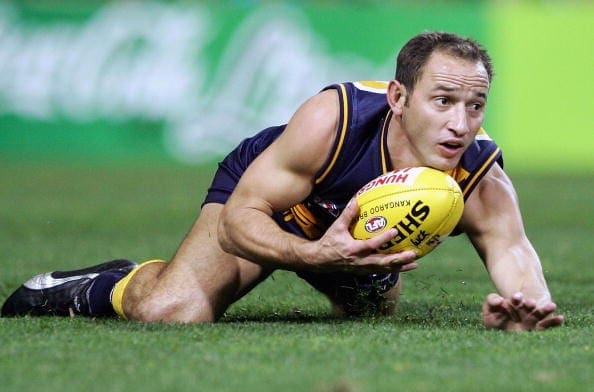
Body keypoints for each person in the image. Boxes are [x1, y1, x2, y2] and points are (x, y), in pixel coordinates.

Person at [1, 31, 563, 331]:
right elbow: (239, 223)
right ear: (399, 98)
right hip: (270, 204)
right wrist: (315, 254)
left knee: (368, 318)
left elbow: (513, 250)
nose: (461, 124)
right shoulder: (332, 119)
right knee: (173, 311)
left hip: (348, 236)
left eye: (475, 105)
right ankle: (97, 284)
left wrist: (523, 309)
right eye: (443, 101)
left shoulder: (481, 174)